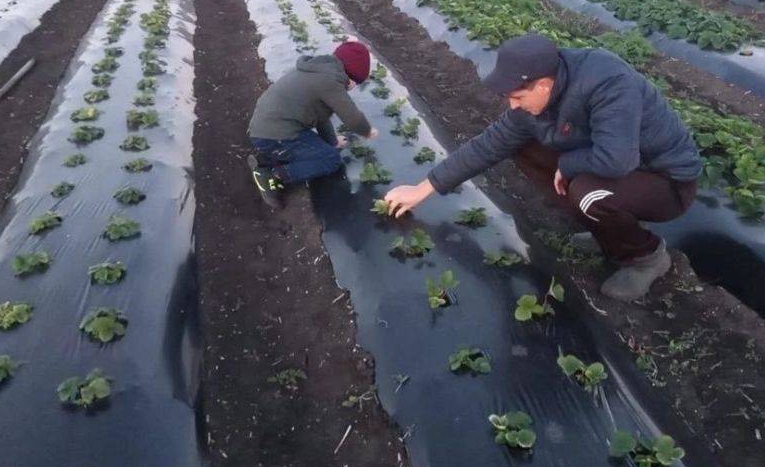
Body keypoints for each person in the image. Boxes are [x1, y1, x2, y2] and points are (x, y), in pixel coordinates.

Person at [383, 33, 701, 301]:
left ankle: (647, 258)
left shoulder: (609, 84)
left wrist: (569, 163)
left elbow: (619, 159)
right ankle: (607, 231)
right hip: (619, 169)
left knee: (587, 192)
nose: (513, 105)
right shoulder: (540, 96)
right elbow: (488, 144)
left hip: (666, 180)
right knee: (522, 146)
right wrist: (423, 188)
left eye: (518, 96)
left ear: (544, 86)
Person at [247, 40, 378, 208]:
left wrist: (333, 141)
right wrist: (367, 131)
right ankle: (273, 176)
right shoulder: (330, 82)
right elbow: (352, 118)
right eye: (356, 82)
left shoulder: (318, 71)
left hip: (268, 128)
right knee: (330, 159)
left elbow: (321, 117)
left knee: (327, 148)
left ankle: (267, 157)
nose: (353, 87)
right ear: (351, 76)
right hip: (275, 135)